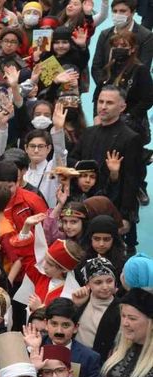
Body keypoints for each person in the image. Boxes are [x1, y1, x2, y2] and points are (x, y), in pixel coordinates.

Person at [68, 86, 143, 253]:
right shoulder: (88, 133)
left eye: (109, 103)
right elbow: (72, 159)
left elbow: (132, 180)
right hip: (84, 204)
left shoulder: (130, 138)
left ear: (122, 107)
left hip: (112, 208)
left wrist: (125, 216)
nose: (103, 106)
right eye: (101, 101)